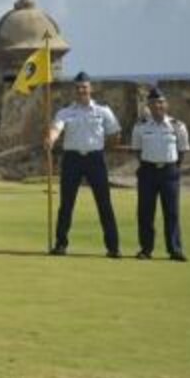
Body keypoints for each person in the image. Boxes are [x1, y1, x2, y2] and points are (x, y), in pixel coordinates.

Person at [46, 72, 123, 258]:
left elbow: (115, 134)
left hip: (95, 159)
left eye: (85, 87)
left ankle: (113, 247)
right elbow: (56, 128)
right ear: (74, 90)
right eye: (78, 88)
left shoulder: (103, 111)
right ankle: (61, 244)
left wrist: (106, 149)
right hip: (72, 159)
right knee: (66, 204)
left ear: (91, 89)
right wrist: (50, 139)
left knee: (104, 203)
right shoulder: (65, 112)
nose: (82, 91)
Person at [132, 87, 189, 262]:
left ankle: (175, 250)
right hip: (148, 171)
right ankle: (146, 249)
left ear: (166, 104)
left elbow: (182, 151)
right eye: (154, 102)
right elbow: (137, 150)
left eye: (161, 102)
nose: (158, 105)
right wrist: (149, 164)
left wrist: (172, 167)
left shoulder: (177, 126)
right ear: (148, 105)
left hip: (169, 172)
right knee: (145, 212)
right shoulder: (141, 126)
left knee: (171, 212)